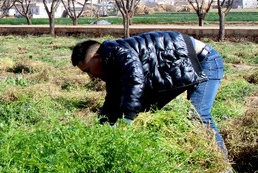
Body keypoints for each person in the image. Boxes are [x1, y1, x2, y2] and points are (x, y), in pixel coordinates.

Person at [71, 31, 227, 156]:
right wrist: (100, 129)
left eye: (88, 70)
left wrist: (127, 119)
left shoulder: (117, 51)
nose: (90, 76)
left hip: (205, 61)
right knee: (144, 108)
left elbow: (134, 80)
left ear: (96, 57)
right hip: (186, 65)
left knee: (198, 115)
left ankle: (223, 168)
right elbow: (113, 99)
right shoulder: (110, 65)